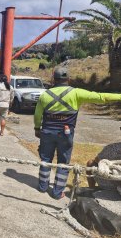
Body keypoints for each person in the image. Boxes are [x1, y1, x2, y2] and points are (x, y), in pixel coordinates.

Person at [34, 67, 121, 199]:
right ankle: (57, 193)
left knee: (45, 159)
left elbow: (37, 115)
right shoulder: (76, 93)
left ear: (54, 79)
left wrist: (36, 129)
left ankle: (42, 186)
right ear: (68, 79)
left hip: (47, 132)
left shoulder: (45, 95)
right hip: (65, 134)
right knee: (63, 162)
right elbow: (101, 97)